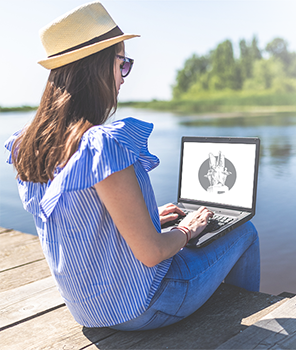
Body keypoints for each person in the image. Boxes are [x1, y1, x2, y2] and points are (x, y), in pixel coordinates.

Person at [4, 2, 259, 331]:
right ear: (97, 68)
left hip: (86, 309)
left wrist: (150, 214)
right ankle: (239, 326)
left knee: (175, 232)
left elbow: (81, 218)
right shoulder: (102, 144)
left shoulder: (30, 144)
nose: (124, 77)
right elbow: (152, 253)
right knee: (245, 231)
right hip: (142, 306)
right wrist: (187, 229)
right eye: (122, 64)